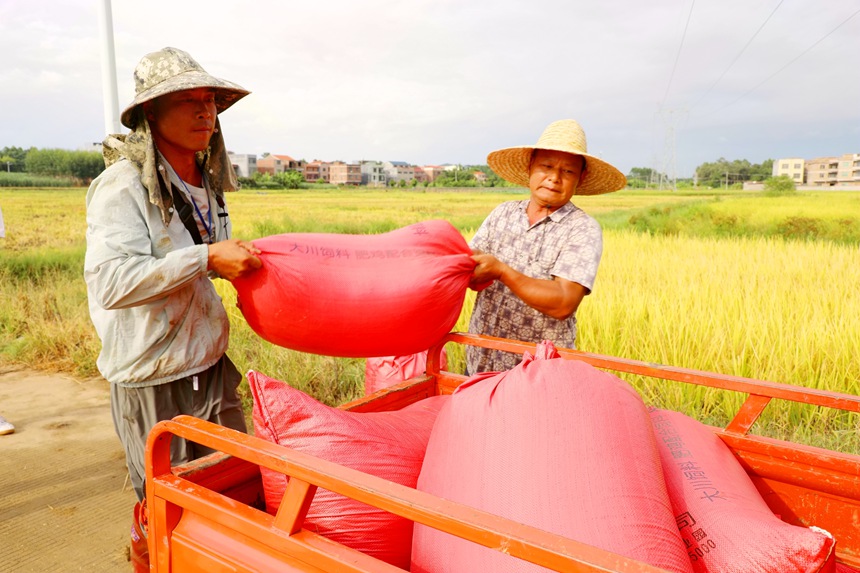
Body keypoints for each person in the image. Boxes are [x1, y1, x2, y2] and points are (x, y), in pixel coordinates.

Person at [84, 47, 261, 567]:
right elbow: (111, 282)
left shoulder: (205, 183)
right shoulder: (122, 186)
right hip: (153, 378)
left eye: (209, 100)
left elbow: (203, 267)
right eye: (187, 101)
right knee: (175, 515)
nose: (205, 112)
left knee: (236, 495)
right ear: (150, 114)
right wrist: (206, 257)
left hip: (211, 367)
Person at [466, 119, 627, 374]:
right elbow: (471, 273)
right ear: (531, 167)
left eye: (568, 172)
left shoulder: (582, 229)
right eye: (547, 166)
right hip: (481, 361)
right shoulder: (503, 213)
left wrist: (501, 271)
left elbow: (564, 302)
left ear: (581, 178)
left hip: (539, 373)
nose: (554, 178)